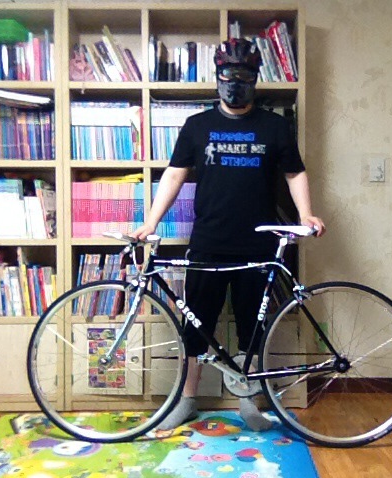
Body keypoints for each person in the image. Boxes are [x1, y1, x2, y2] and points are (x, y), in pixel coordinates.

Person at [131, 38, 326, 431]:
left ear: (255, 78)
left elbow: (294, 173)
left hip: (258, 243)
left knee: (252, 325)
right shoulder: (197, 126)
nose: (235, 83)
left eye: (244, 75)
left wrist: (306, 213)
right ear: (217, 77)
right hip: (208, 241)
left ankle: (247, 401)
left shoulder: (275, 126)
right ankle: (187, 400)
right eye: (228, 75)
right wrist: (151, 222)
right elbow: (174, 174)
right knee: (195, 323)